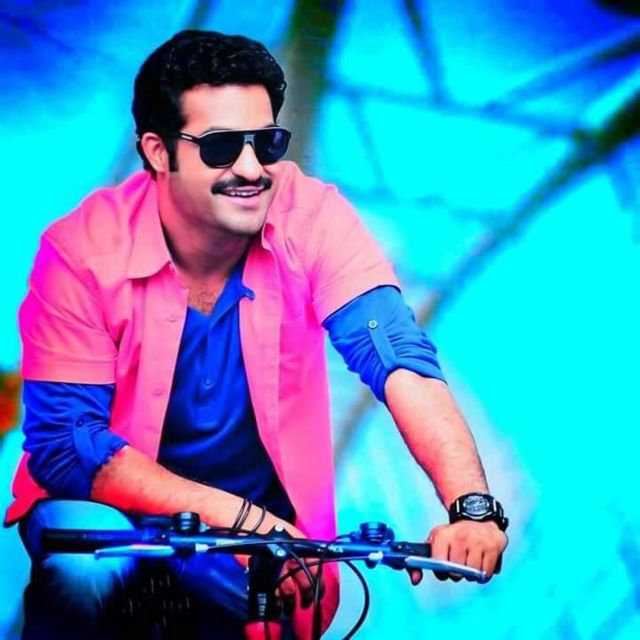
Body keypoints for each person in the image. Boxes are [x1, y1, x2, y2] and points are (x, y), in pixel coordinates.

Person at [5, 29, 509, 639]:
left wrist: (471, 507)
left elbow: (396, 354)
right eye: (220, 147)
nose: (250, 169)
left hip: (264, 552)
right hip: (109, 526)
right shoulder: (82, 251)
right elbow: (67, 446)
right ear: (158, 152)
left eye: (265, 143)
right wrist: (243, 519)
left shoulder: (313, 217)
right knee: (87, 575)